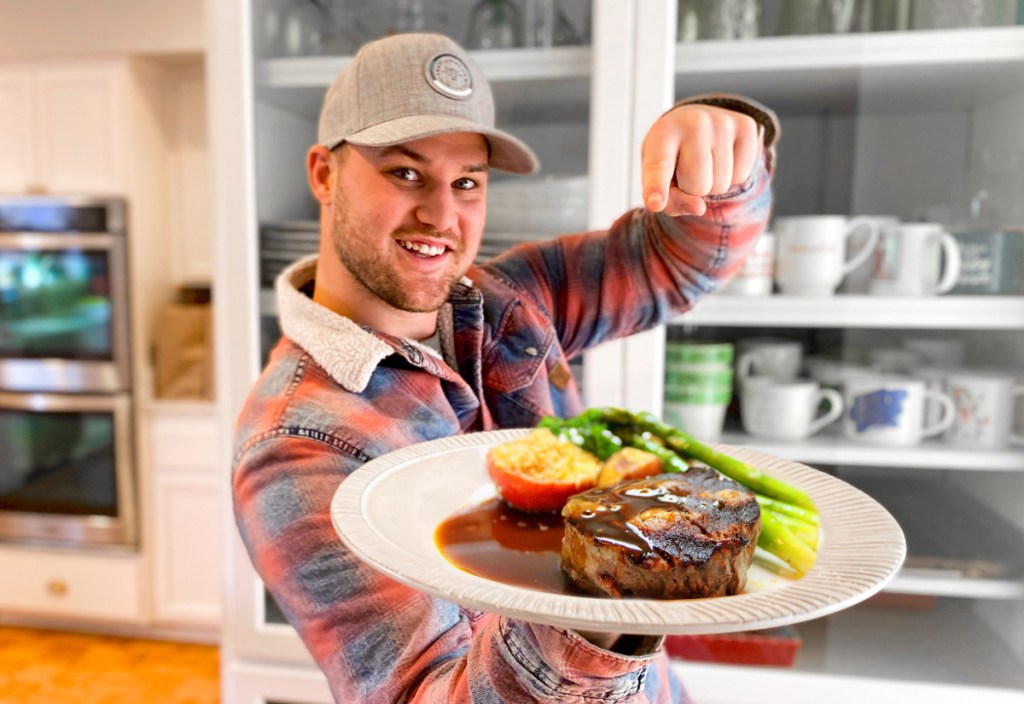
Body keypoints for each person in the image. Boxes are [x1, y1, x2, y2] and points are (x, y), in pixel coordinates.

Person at [233, 31, 778, 704]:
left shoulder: (510, 301)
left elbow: (678, 262)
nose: (441, 213)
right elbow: (425, 693)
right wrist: (602, 597)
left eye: (466, 182)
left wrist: (722, 158)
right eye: (405, 173)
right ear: (324, 173)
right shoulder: (294, 445)